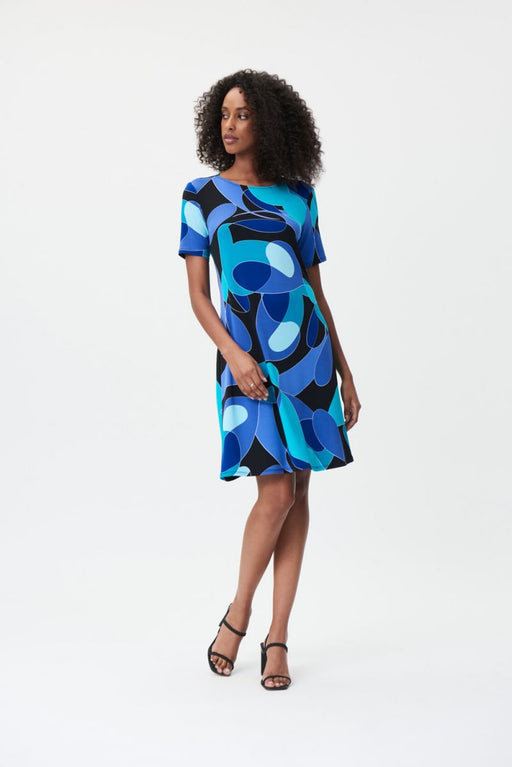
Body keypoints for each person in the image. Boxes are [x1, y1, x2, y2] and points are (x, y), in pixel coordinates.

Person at [178, 69, 361, 690]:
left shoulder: (300, 197)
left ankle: (277, 636)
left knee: (299, 493)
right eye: (224, 114)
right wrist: (234, 355)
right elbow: (199, 296)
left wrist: (345, 371)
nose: (229, 126)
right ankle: (239, 613)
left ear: (270, 124)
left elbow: (315, 291)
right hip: (247, 358)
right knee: (275, 492)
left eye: (243, 115)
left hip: (307, 356)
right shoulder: (202, 195)